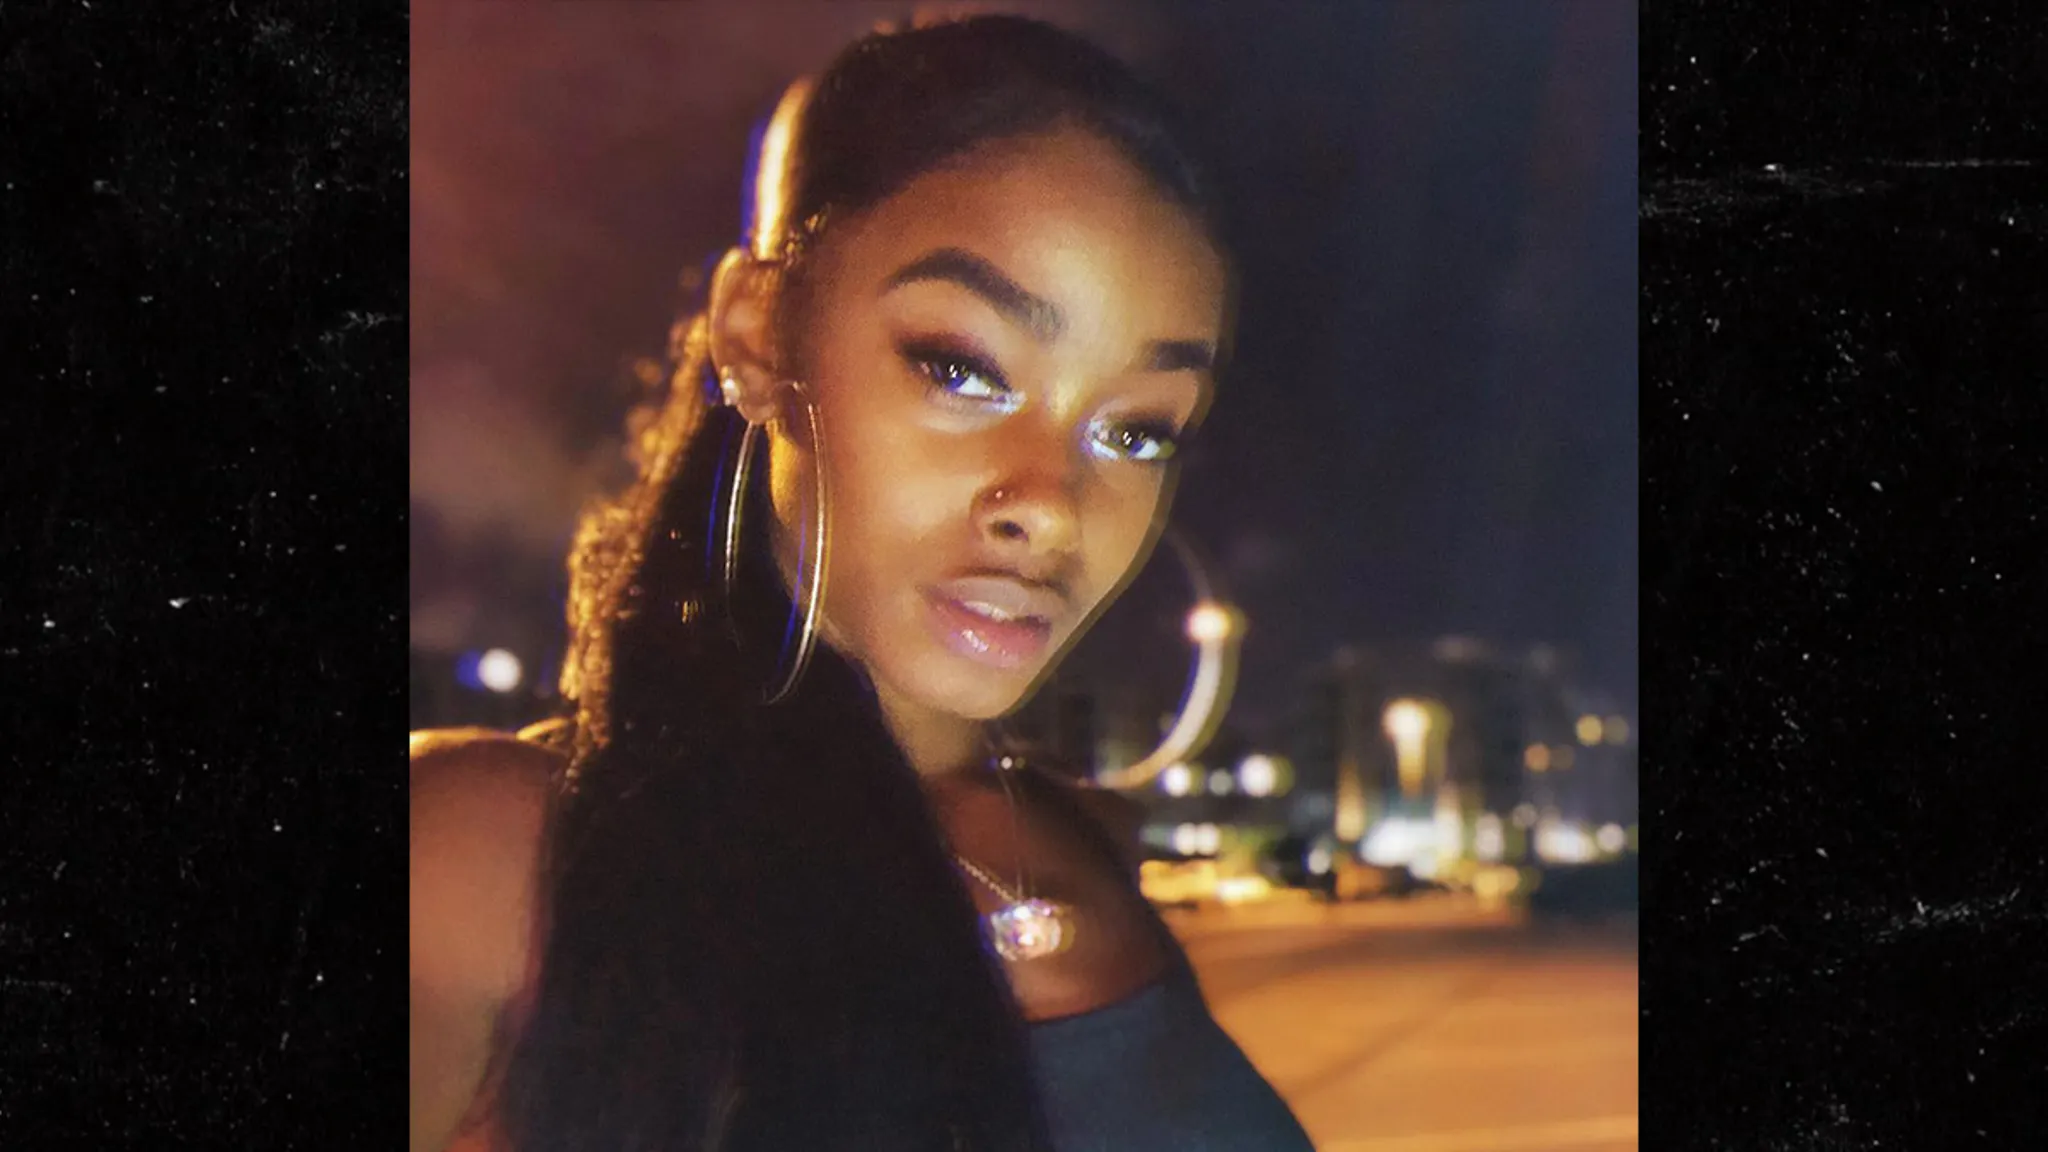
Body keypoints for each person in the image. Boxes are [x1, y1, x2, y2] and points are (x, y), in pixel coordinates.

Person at [411, 14, 1316, 1151]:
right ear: (757, 338)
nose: (1050, 504)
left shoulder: (1078, 838)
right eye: (962, 369)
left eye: (1136, 432)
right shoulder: (491, 862)